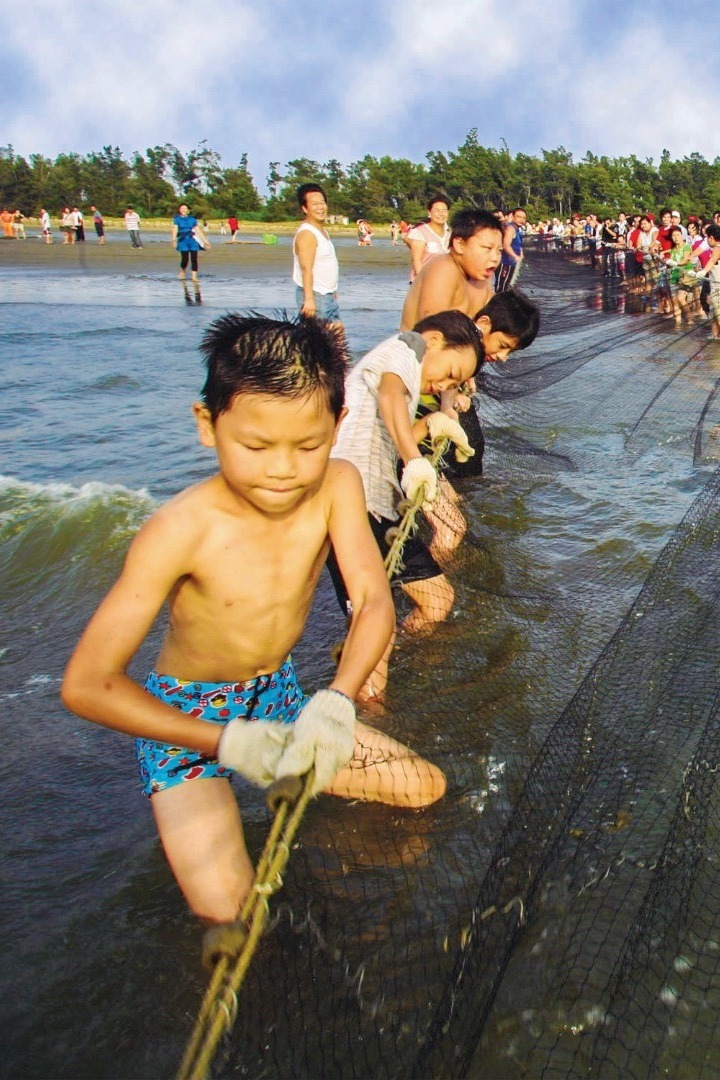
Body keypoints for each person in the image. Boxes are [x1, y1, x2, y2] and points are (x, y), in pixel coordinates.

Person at [59, 315, 445, 924]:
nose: (283, 469)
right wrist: (229, 742)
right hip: (185, 724)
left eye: (308, 446)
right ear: (207, 426)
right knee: (236, 917)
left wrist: (337, 700)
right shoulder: (178, 531)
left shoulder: (337, 485)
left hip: (279, 696)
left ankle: (305, 828)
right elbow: (87, 684)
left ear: (337, 427)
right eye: (256, 447)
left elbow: (373, 602)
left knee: (424, 790)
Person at [330, 311, 486, 700]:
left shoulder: (410, 378)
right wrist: (413, 457)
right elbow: (391, 393)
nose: (446, 384)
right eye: (450, 372)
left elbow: (393, 421)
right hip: (349, 507)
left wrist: (432, 423)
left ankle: (378, 663)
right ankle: (366, 709)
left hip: (378, 509)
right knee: (372, 619)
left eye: (454, 382)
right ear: (434, 341)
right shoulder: (407, 346)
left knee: (438, 601)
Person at [400, 208, 504, 329]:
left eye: (499, 250)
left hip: (461, 343)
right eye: (487, 248)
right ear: (459, 245)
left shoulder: (484, 276)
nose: (495, 258)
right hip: (419, 345)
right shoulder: (444, 270)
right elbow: (432, 331)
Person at [292, 182, 340, 322]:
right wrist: (309, 300)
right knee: (318, 342)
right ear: (304, 208)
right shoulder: (307, 233)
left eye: (322, 202)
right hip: (315, 296)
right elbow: (306, 269)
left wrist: (333, 290)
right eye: (314, 204)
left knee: (336, 340)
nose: (320, 207)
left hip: (327, 295)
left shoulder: (321, 231)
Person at [407, 195, 452, 284]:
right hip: (423, 282)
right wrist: (424, 282)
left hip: (444, 282)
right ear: (429, 212)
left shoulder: (450, 234)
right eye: (437, 210)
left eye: (444, 211)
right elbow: (417, 260)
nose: (441, 214)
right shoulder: (420, 232)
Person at [496, 207, 527, 291]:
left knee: (509, 287)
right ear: (513, 217)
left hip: (512, 263)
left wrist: (521, 254)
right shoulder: (510, 229)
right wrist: (515, 256)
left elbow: (518, 245)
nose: (521, 220)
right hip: (505, 263)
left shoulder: (517, 230)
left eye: (524, 218)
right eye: (519, 217)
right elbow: (506, 245)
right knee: (502, 288)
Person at [173, 203, 203, 281]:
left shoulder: (192, 219)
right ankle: (183, 271)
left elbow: (197, 230)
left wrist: (205, 240)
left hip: (192, 240)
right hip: (182, 240)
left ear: (188, 210)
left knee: (194, 258)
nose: (183, 210)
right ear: (179, 210)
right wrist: (173, 239)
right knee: (184, 259)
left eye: (185, 208)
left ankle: (194, 276)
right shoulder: (177, 219)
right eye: (181, 208)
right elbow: (175, 229)